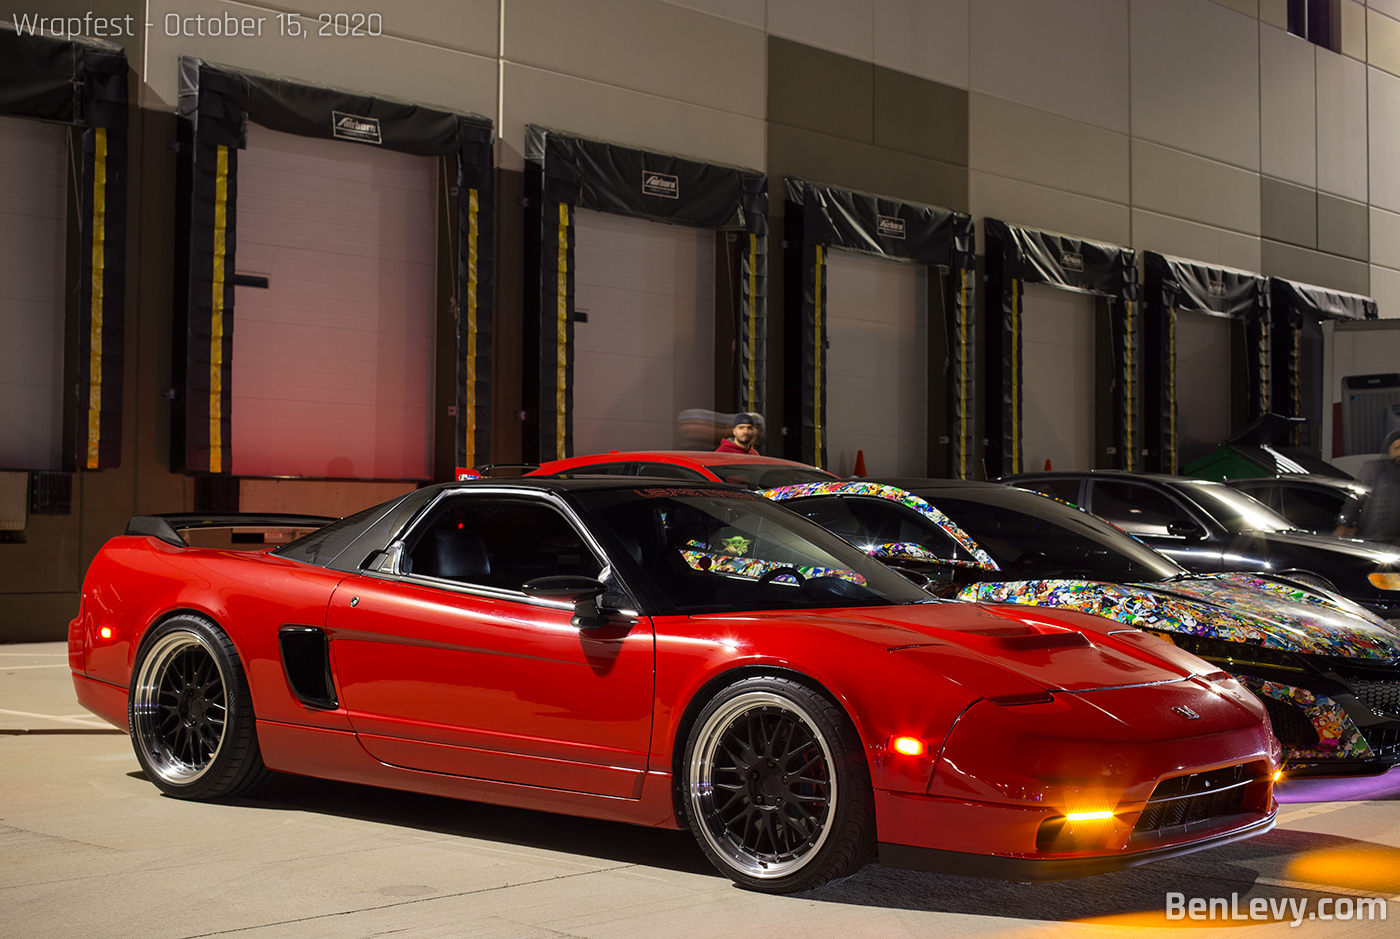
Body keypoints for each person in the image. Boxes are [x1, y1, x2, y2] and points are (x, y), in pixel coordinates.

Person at [1336, 430, 1400, 543]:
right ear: (1387, 449)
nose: (1399, 452)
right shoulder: (1373, 469)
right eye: (1396, 448)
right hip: (1371, 537)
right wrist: (1344, 524)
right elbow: (1355, 499)